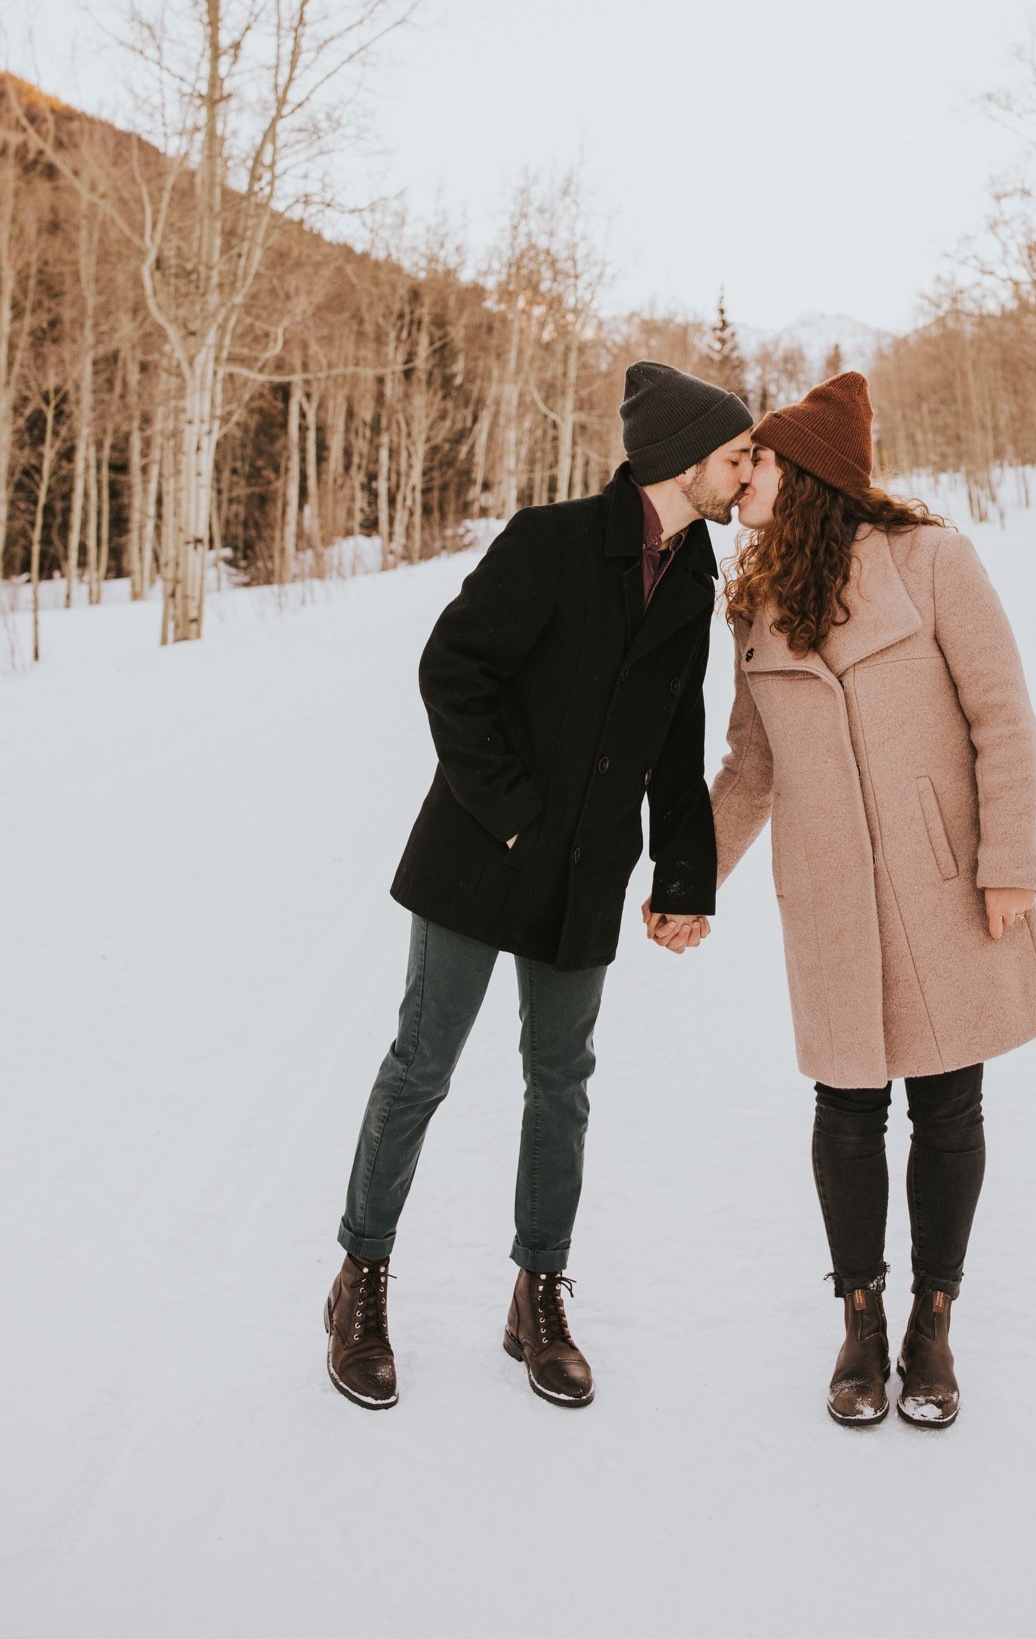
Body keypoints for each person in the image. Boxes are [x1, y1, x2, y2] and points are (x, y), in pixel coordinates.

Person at [325, 361, 750, 1412]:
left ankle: (538, 1293)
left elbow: (676, 738)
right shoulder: (551, 541)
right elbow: (452, 671)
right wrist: (513, 810)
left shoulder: (695, 577)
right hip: (480, 855)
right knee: (422, 1067)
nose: (748, 474)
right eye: (738, 456)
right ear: (684, 457)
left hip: (585, 881)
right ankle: (361, 1281)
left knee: (561, 1084)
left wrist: (684, 875)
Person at [694, 371, 1036, 1429]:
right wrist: (691, 882)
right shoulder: (756, 604)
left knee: (948, 1105)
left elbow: (1005, 718)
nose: (743, 475)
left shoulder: (935, 562)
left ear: (804, 475)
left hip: (943, 879)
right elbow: (749, 768)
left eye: (758, 458)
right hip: (828, 890)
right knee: (849, 1105)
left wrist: (1010, 862)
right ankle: (860, 1322)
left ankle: (932, 1322)